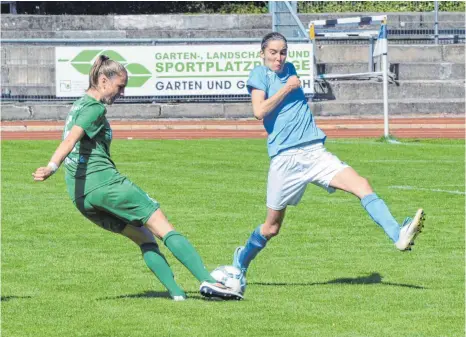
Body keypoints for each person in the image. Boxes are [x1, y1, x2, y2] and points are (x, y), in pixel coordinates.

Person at [33, 55, 242, 301]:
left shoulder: (78, 105)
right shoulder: (94, 107)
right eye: (119, 86)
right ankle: (209, 281)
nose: (122, 92)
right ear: (103, 80)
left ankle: (177, 294)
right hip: (105, 184)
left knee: (143, 237)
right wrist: (51, 166)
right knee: (162, 227)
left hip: (80, 196)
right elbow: (70, 140)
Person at [232, 32, 426, 287]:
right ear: (262, 53)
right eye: (273, 53)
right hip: (285, 159)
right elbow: (259, 111)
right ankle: (240, 264)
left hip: (314, 152)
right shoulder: (260, 74)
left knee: (362, 185)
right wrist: (289, 87)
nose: (279, 58)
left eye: (282, 52)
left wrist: (290, 82)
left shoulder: (289, 68)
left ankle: (397, 235)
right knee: (271, 228)